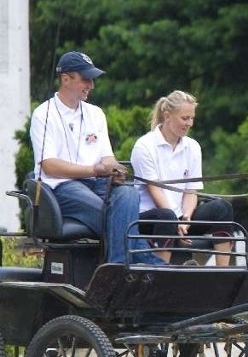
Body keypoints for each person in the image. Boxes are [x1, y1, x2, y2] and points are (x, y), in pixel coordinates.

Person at [29, 51, 164, 265]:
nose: (91, 85)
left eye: (92, 79)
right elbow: (49, 165)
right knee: (113, 216)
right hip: (62, 188)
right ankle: (148, 266)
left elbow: (106, 158)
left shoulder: (96, 114)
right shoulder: (43, 114)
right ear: (66, 79)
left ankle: (118, 266)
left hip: (96, 183)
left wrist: (115, 169)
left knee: (129, 195)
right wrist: (94, 170)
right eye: (85, 79)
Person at [130, 90, 234, 266]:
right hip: (151, 218)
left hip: (179, 218)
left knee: (222, 208)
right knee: (167, 216)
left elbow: (190, 191)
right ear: (167, 116)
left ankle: (223, 274)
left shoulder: (193, 147)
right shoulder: (144, 146)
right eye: (185, 118)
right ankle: (162, 273)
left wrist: (185, 219)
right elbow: (156, 193)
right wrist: (176, 222)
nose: (190, 123)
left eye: (192, 118)